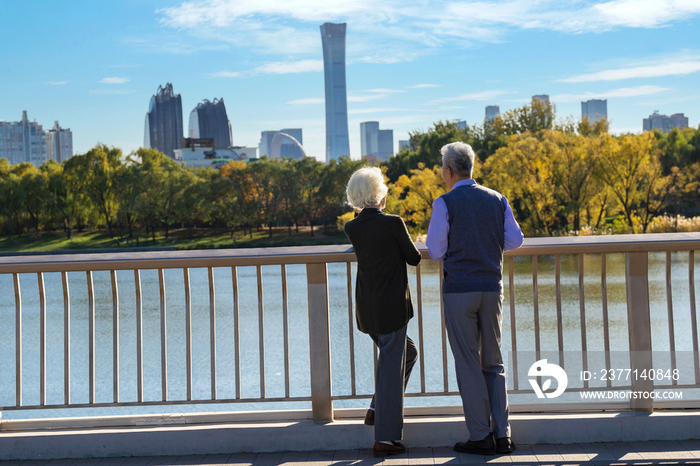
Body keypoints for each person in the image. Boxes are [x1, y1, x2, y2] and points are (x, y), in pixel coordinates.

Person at [426, 142, 524, 455]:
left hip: (459, 291)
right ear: (472, 168)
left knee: (468, 362)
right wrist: (487, 246)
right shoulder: (498, 199)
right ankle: (502, 435)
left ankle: (480, 435)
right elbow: (515, 239)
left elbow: (436, 251)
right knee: (494, 362)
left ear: (448, 171)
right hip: (492, 288)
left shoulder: (445, 203)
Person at [343, 167, 421, 457]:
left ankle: (377, 408)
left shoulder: (352, 228)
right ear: (381, 195)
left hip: (367, 309)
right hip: (392, 307)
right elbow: (414, 258)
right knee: (392, 367)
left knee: (407, 355)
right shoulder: (393, 223)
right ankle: (385, 439)